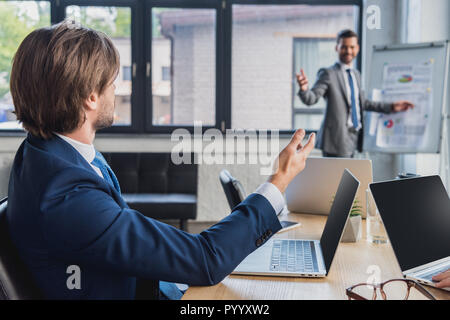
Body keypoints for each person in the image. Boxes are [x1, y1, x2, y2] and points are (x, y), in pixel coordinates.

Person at [6, 21, 315, 300]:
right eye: (112, 82)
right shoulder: (68, 197)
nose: (117, 89)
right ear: (90, 97)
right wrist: (279, 180)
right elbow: (205, 260)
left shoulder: (42, 153)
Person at [296, 29, 414, 158]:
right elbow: (311, 99)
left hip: (355, 137)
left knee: (350, 176)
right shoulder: (328, 73)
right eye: (344, 47)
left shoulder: (356, 74)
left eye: (352, 47)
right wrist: (304, 88)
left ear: (357, 48)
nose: (348, 51)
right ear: (337, 48)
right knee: (336, 177)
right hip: (336, 138)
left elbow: (362, 103)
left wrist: (391, 107)